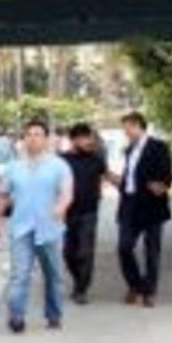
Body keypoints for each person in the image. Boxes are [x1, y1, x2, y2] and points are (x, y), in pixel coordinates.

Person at [0, 120, 74, 334]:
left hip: (50, 230)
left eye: (38, 134)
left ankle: (54, 315)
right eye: (29, 134)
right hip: (21, 229)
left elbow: (66, 193)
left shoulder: (59, 166)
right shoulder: (13, 168)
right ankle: (16, 317)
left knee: (53, 276)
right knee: (20, 275)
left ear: (46, 139)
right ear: (23, 139)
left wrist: (60, 207)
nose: (33, 138)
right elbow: (2, 196)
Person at [115, 112, 172, 307]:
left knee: (152, 251)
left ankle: (149, 291)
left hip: (151, 205)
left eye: (128, 128)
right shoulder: (129, 150)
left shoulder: (158, 147)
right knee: (124, 247)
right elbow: (129, 176)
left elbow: (167, 173)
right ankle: (136, 284)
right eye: (124, 129)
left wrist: (162, 185)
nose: (126, 132)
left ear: (138, 126)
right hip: (129, 204)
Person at [60, 123, 109, 304]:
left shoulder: (96, 159)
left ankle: (81, 290)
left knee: (85, 252)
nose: (89, 141)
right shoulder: (61, 160)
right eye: (84, 138)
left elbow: (107, 176)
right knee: (68, 253)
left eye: (90, 137)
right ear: (73, 140)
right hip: (67, 213)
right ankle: (78, 280)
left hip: (89, 212)